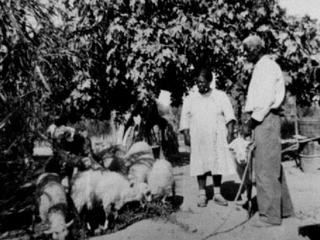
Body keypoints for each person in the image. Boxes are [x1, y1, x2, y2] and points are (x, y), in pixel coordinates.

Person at [242, 35, 295, 227]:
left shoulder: (266, 67)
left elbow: (265, 100)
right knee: (272, 165)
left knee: (265, 168)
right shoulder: (263, 67)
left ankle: (269, 216)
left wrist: (251, 122)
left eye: (246, 50)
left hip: (265, 119)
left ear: (256, 49)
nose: (244, 54)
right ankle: (284, 210)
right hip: (265, 119)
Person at [179, 65, 236, 207]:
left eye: (202, 81)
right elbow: (185, 118)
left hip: (217, 136)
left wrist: (230, 133)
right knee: (200, 163)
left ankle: (217, 193)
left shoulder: (220, 96)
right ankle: (202, 194)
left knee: (217, 162)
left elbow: (229, 116)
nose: (200, 85)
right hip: (198, 137)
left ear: (210, 81)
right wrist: (186, 134)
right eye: (197, 82)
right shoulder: (190, 98)